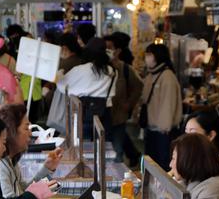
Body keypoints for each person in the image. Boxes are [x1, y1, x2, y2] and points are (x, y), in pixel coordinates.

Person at [0, 104, 77, 199]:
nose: (30, 133)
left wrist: (47, 169)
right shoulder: (0, 166)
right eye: (26, 128)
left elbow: (23, 189)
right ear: (11, 132)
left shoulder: (10, 160)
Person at [56, 37, 117, 139]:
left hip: (82, 114)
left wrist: (60, 74)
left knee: (83, 149)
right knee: (103, 148)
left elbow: (63, 87)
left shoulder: (80, 70)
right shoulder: (112, 71)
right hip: (104, 114)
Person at [141, 44, 182, 170]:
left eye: (149, 55)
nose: (146, 58)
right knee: (152, 163)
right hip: (152, 128)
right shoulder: (151, 75)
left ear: (157, 56)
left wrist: (164, 126)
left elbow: (168, 104)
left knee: (163, 164)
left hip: (163, 130)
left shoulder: (167, 76)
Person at [104, 33, 143, 165]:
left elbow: (138, 86)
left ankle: (118, 181)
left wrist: (129, 103)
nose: (106, 51)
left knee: (117, 152)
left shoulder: (125, 69)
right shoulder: (99, 68)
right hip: (102, 118)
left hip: (118, 118)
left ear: (118, 51)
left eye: (109, 48)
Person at [184, 110, 219, 179]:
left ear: (211, 135)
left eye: (192, 133)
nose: (186, 138)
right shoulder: (191, 156)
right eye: (186, 132)